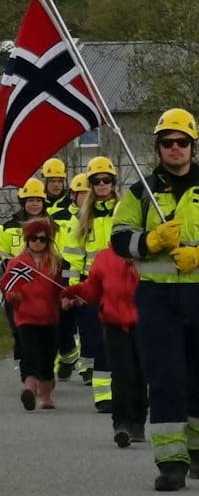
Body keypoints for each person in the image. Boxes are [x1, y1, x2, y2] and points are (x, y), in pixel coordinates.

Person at [110, 107, 199, 492]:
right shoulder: (140, 192)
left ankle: (198, 450)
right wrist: (149, 242)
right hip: (157, 298)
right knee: (166, 378)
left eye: (182, 142)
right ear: (158, 147)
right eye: (167, 142)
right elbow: (119, 239)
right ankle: (171, 462)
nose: (175, 148)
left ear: (193, 146)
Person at [60, 247, 146, 447]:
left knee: (140, 374)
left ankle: (137, 421)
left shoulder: (150, 255)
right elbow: (93, 288)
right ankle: (121, 424)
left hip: (145, 323)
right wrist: (73, 292)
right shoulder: (105, 257)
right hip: (114, 322)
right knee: (121, 372)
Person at [62, 156, 120, 413]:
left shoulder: (125, 210)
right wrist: (74, 289)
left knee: (123, 341)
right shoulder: (83, 217)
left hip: (122, 286)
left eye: (106, 180)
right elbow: (74, 256)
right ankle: (102, 395)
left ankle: (125, 390)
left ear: (114, 182)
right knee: (99, 342)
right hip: (93, 287)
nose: (102, 185)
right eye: (97, 182)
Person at [1, 218, 65, 410]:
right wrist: (13, 295)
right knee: (29, 353)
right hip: (26, 317)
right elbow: (8, 287)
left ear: (49, 241)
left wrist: (67, 297)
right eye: (34, 238)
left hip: (49, 317)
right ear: (27, 240)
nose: (38, 242)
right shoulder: (18, 263)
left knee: (47, 357)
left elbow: (61, 288)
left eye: (43, 239)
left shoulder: (55, 262)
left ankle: (46, 396)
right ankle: (29, 389)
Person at [0, 178, 55, 370]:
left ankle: (40, 368)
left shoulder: (52, 226)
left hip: (44, 286)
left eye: (38, 200)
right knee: (19, 329)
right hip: (18, 285)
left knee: (43, 329)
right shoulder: (8, 227)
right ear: (23, 202)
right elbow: (2, 252)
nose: (34, 204)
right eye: (30, 200)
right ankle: (27, 368)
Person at [42, 158, 81, 379]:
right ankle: (63, 356)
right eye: (52, 180)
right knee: (48, 317)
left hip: (67, 267)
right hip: (44, 268)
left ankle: (68, 353)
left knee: (67, 316)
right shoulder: (38, 206)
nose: (56, 185)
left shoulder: (72, 208)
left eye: (59, 180)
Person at [53, 173, 90, 381]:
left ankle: (87, 367)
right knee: (64, 322)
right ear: (73, 195)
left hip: (90, 276)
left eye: (87, 192)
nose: (84, 197)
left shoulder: (97, 216)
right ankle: (68, 356)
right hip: (66, 273)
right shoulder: (62, 217)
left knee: (88, 324)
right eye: (81, 193)